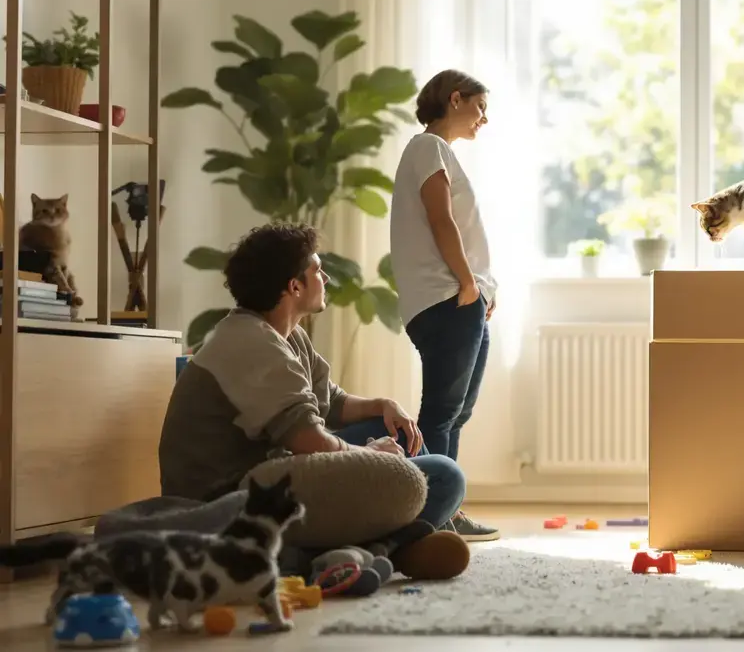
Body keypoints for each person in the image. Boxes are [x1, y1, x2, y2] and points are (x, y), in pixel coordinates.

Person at [158, 222, 466, 535]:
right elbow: (308, 441)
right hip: (230, 503)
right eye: (318, 270)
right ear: (294, 286)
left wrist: (383, 405)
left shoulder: (287, 336)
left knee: (391, 429)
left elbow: (331, 402)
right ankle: (394, 543)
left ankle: (422, 532)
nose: (326, 278)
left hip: (272, 471)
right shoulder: (251, 342)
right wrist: (371, 456)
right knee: (445, 477)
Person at [390, 69, 499, 541]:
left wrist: (477, 289)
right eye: (480, 107)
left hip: (459, 298)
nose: (484, 119)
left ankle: (446, 512)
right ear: (455, 99)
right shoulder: (428, 146)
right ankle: (431, 515)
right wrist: (466, 282)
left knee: (456, 411)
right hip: (447, 296)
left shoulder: (437, 152)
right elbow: (441, 220)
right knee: (441, 411)